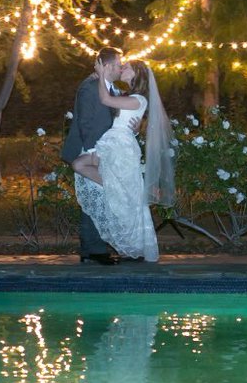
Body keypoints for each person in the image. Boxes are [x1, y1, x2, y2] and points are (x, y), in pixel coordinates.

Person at [71, 58, 174, 263]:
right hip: (112, 144)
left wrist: (101, 73)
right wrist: (135, 129)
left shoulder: (139, 99)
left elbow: (106, 100)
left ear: (136, 74)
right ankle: (114, 189)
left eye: (126, 67)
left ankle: (134, 245)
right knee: (79, 164)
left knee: (83, 166)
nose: (122, 69)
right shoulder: (126, 95)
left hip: (121, 148)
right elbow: (122, 118)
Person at [61, 47, 125, 264]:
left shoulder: (111, 89)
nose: (120, 69)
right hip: (89, 152)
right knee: (94, 200)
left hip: (104, 151)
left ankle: (92, 249)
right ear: (107, 66)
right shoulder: (89, 87)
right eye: (118, 65)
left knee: (98, 199)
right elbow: (86, 123)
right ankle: (94, 249)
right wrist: (93, 153)